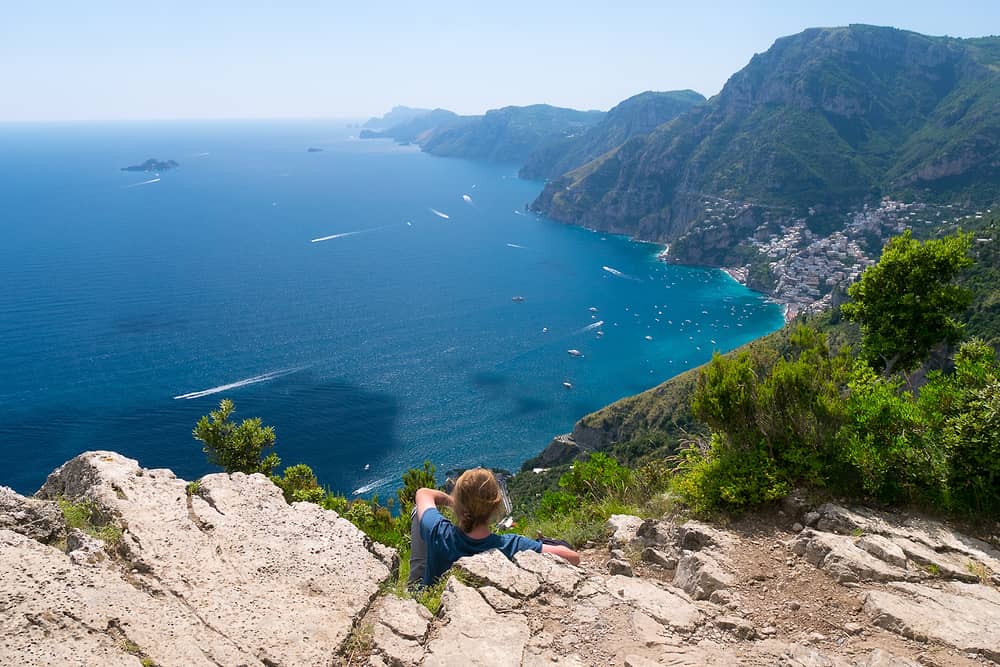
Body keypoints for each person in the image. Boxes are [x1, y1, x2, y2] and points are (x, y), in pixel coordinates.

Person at [408, 468, 580, 588]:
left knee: (420, 512)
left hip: (432, 594)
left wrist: (450, 501)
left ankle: (414, 582)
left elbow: (423, 493)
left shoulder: (439, 532)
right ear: (495, 506)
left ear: (460, 505)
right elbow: (573, 558)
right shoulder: (512, 545)